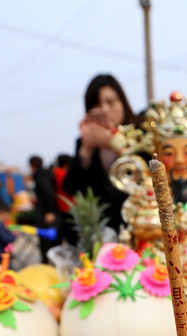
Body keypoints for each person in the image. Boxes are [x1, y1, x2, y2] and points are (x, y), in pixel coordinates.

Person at [62, 74, 136, 239]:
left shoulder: (139, 133)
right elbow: (71, 187)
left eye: (110, 102)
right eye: (96, 104)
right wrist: (86, 150)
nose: (104, 109)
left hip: (137, 226)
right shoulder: (84, 143)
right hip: (101, 233)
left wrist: (115, 145)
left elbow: (147, 173)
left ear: (122, 102)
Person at [29, 155, 58, 256]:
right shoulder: (46, 174)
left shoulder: (40, 176)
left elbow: (48, 193)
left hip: (45, 213)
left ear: (32, 165)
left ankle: (46, 263)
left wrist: (50, 211)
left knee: (46, 242)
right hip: (47, 211)